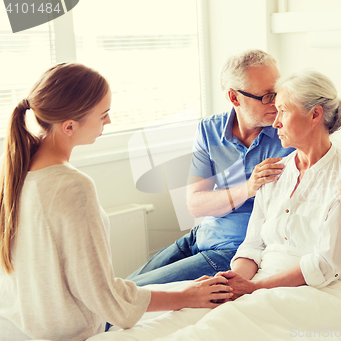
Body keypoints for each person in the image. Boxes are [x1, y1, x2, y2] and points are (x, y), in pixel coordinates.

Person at [0, 63, 232, 341]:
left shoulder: (16, 173)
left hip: (18, 327)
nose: (108, 122)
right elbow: (104, 298)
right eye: (104, 114)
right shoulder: (72, 186)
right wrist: (186, 296)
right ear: (70, 126)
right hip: (67, 332)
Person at [126, 49, 341, 286]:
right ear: (234, 97)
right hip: (201, 236)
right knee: (116, 290)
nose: (276, 106)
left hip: (234, 250)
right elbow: (195, 204)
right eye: (267, 97)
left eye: (279, 96)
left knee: (131, 296)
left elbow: (326, 177)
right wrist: (248, 188)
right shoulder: (210, 130)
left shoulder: (290, 137)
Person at [218, 69, 341, 298]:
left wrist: (253, 288)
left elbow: (326, 266)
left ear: (314, 115)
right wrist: (233, 282)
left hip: (320, 291)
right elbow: (252, 247)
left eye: (283, 111)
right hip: (262, 283)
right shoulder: (273, 172)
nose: (275, 123)